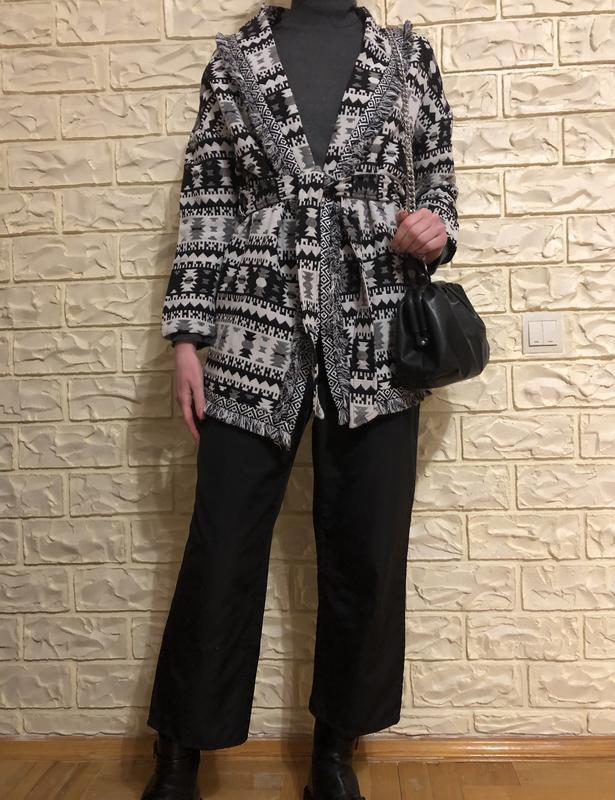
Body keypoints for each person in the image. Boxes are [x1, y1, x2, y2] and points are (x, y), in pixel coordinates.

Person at [141, 1, 458, 798]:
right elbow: (207, 203)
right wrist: (187, 339)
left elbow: (437, 177)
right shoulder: (234, 60)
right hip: (253, 331)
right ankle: (179, 753)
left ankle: (334, 753)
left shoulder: (406, 57)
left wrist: (435, 228)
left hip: (374, 337)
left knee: (366, 551)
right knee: (221, 545)